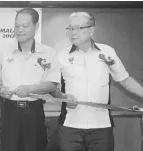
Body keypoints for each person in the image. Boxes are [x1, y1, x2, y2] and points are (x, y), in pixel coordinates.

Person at [46, 11, 143, 151]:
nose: (73, 32)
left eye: (79, 28)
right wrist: (63, 96)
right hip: (70, 126)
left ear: (91, 30)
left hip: (101, 127)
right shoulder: (61, 55)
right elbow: (51, 87)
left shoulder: (107, 52)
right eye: (70, 28)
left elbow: (125, 80)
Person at [0, 8, 60, 151]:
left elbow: (52, 84)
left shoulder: (49, 53)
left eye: (25, 26)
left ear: (36, 26)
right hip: (9, 111)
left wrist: (29, 89)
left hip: (34, 111)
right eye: (17, 26)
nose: (19, 30)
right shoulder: (3, 51)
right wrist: (0, 89)